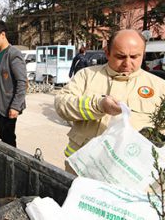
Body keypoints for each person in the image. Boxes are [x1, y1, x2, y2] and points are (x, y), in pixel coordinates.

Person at [55, 29, 165, 174]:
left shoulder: (159, 86)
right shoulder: (87, 76)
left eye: (134, 57)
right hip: (82, 168)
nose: (127, 63)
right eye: (120, 56)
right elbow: (62, 104)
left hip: (130, 175)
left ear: (143, 55)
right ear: (107, 52)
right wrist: (98, 105)